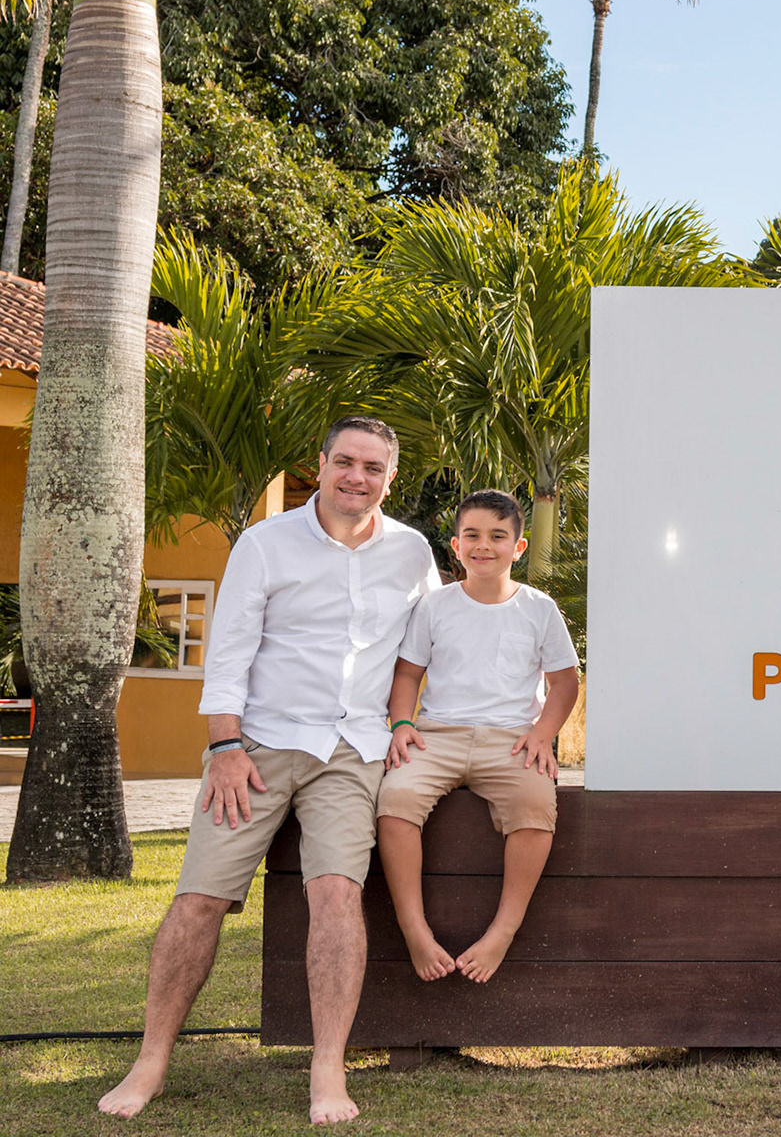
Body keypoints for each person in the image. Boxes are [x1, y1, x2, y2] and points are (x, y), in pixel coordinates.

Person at [99, 417, 439, 1124]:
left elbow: (430, 644)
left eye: (372, 468)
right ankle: (151, 1060)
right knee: (200, 898)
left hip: (353, 751)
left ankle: (327, 1070)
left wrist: (420, 724)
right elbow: (228, 652)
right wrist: (224, 748)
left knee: (338, 896)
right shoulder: (265, 543)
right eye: (344, 462)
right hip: (255, 746)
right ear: (320, 464)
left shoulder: (412, 552)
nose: (357, 477)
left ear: (391, 478)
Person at [376, 489, 581, 984]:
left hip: (511, 740)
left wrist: (542, 733)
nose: (483, 545)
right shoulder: (435, 606)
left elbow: (565, 681)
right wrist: (402, 724)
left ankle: (502, 932)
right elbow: (406, 675)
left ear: (519, 547)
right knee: (395, 799)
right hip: (436, 736)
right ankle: (414, 928)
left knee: (535, 805)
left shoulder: (539, 608)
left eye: (497, 536)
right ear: (455, 544)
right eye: (472, 535)